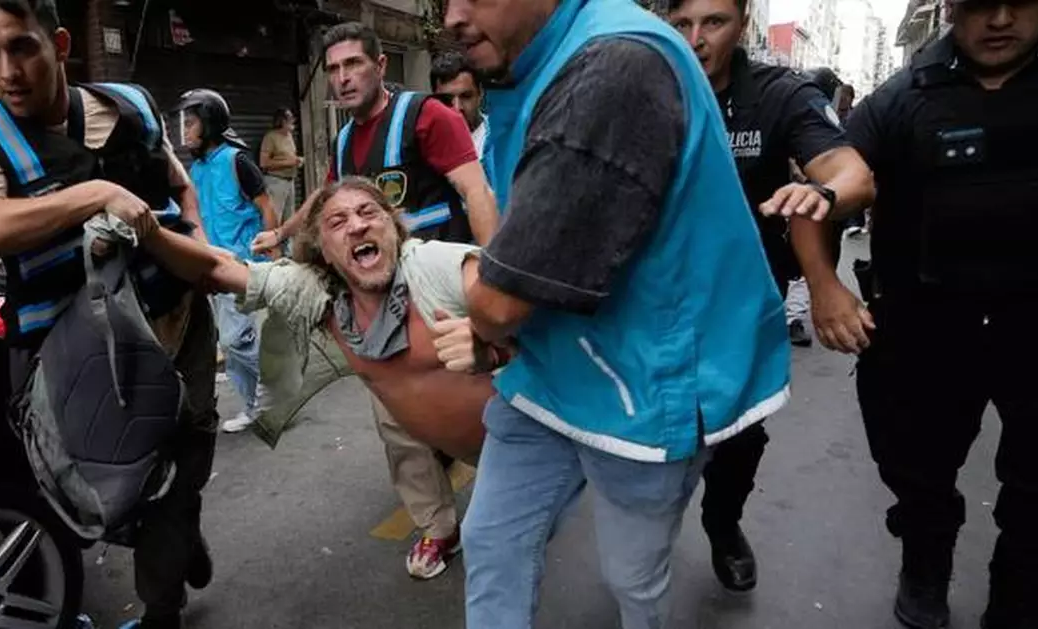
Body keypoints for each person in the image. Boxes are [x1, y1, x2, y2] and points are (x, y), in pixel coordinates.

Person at [443, 0, 796, 626]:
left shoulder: (614, 66)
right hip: (549, 369)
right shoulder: (536, 66)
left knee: (633, 580)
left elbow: (497, 301)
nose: (451, 16)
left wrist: (448, 272)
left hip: (642, 385)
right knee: (493, 538)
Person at [845, 2, 1038, 628]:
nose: (998, 19)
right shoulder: (902, 97)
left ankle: (1020, 599)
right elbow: (837, 174)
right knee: (914, 463)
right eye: (976, 3)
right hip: (928, 323)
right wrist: (829, 290)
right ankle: (925, 561)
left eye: (1017, 0)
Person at [0, 2, 217, 628]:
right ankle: (171, 540)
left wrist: (195, 250)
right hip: (70, 354)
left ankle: (162, 601)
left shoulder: (131, 108)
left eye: (23, 48)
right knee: (92, 488)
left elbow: (177, 186)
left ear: (60, 43)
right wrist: (95, 195)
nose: (7, 70)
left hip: (173, 326)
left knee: (181, 464)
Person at [143, 176, 502, 579]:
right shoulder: (317, 293)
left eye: (369, 212)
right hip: (419, 412)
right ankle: (439, 530)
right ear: (324, 254)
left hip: (526, 441)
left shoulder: (433, 267)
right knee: (394, 417)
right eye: (337, 222)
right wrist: (145, 231)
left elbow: (523, 299)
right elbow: (217, 266)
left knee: (500, 552)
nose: (357, 225)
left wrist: (494, 345)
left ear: (394, 228)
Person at [667, 0, 876, 595]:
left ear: (744, 23)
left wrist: (825, 199)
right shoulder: (644, 84)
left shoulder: (776, 93)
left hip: (745, 301)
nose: (696, 40)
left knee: (742, 432)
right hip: (654, 301)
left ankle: (722, 522)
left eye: (714, 23)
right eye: (681, 25)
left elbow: (849, 171)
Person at [254, 21, 498, 253]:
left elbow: (477, 191)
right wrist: (280, 234)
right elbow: (323, 197)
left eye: (353, 64)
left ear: (380, 66)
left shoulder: (428, 115)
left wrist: (494, 276)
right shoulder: (343, 142)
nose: (343, 78)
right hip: (381, 282)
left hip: (438, 279)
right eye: (333, 69)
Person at [174, 89, 279, 434]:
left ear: (210, 124)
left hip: (244, 266)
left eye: (190, 123)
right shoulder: (197, 169)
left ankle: (272, 392)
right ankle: (255, 406)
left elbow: (267, 209)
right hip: (213, 267)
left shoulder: (237, 160)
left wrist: (272, 253)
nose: (185, 130)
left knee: (236, 341)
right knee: (233, 347)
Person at [430, 51, 494, 185]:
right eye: (447, 99)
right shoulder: (426, 143)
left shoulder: (499, 139)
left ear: (480, 93)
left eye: (466, 96)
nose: (457, 107)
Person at [259, 107, 303, 245]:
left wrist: (297, 161)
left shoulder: (289, 136)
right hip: (276, 182)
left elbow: (289, 157)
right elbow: (264, 163)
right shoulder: (271, 137)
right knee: (274, 219)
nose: (293, 120)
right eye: (290, 118)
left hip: (290, 182)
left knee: (289, 220)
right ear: (282, 120)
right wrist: (290, 162)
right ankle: (271, 251)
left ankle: (288, 253)